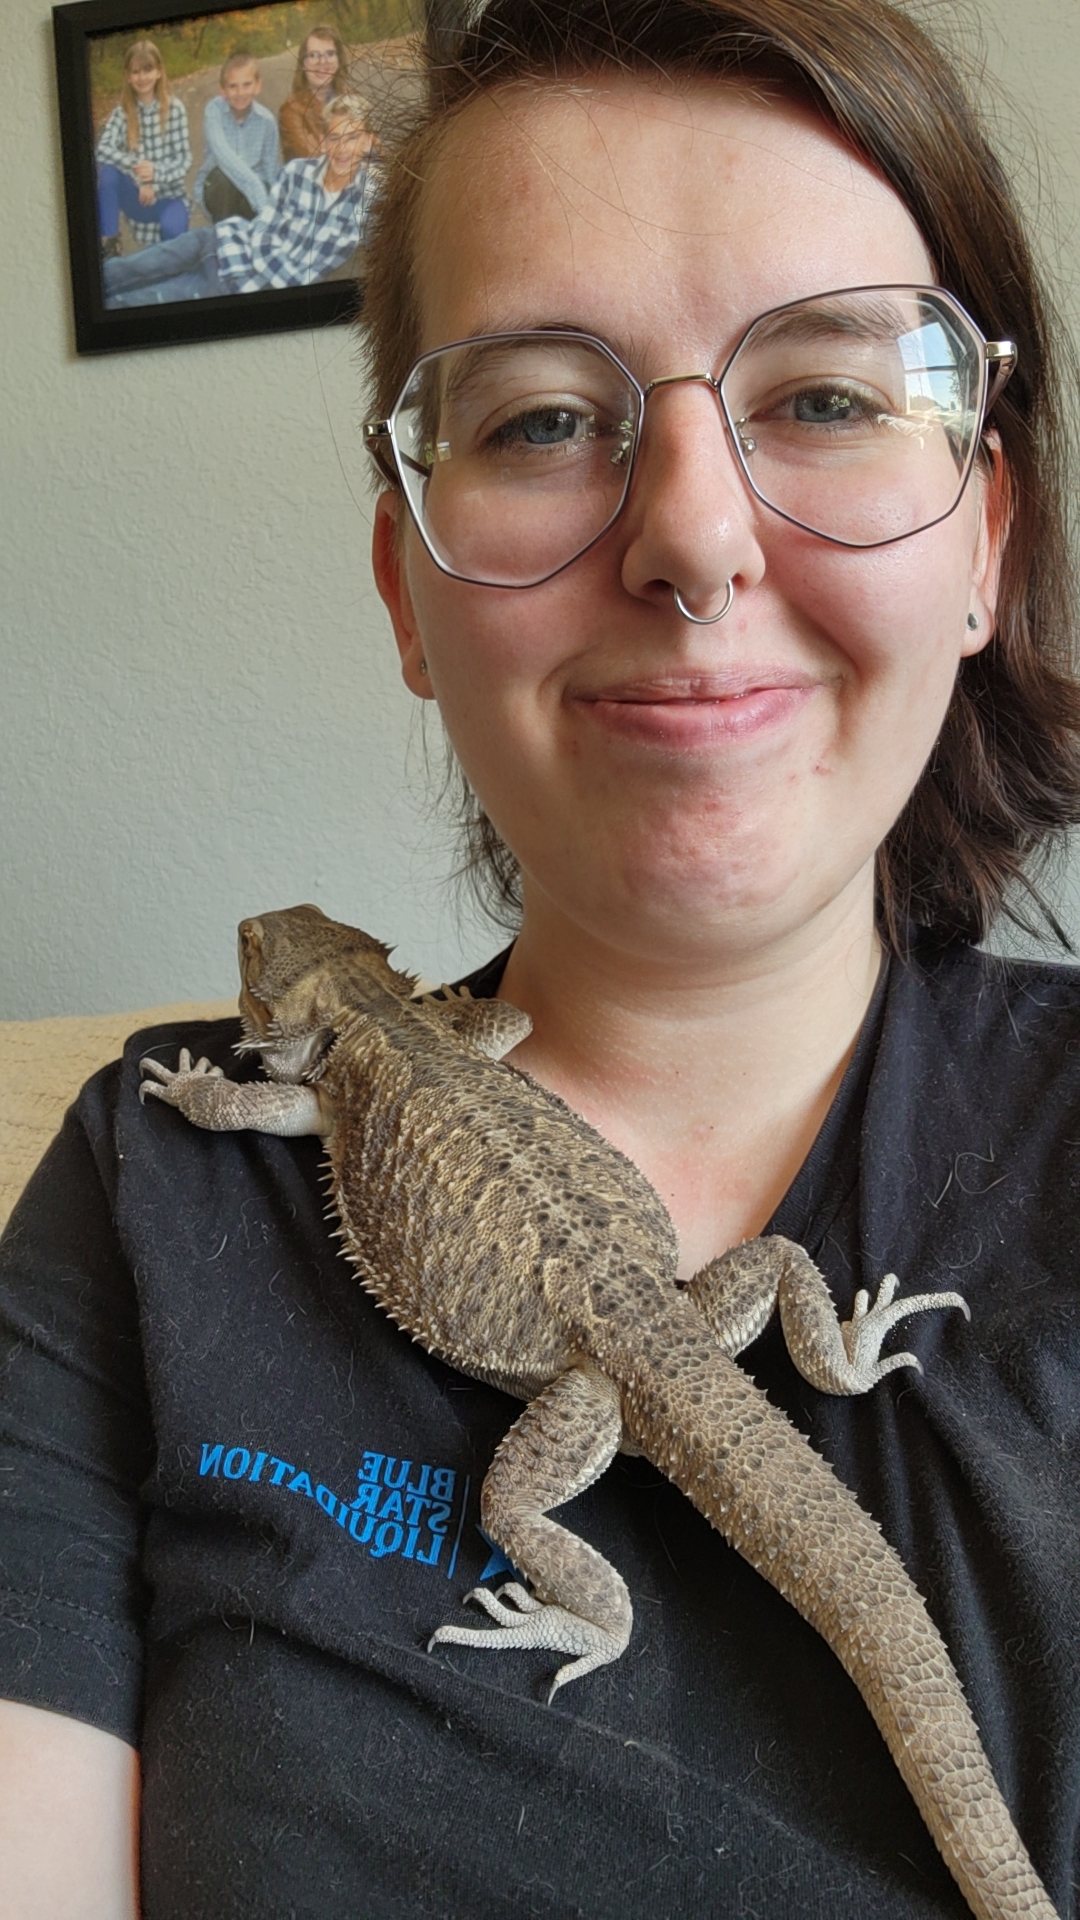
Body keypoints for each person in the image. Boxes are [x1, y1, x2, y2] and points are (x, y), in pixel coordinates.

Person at [2, 2, 1079, 1916]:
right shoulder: (148, 1187)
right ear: (410, 595)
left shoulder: (323, 1058)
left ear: (987, 536)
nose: (693, 535)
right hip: (688, 1328)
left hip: (639, 1351)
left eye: (827, 395)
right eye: (545, 420)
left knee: (531, 1511)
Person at [102, 96, 379, 307]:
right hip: (215, 240)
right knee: (119, 270)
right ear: (324, 140)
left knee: (124, 304)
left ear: (369, 141)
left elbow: (398, 239)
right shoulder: (298, 172)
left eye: (353, 137)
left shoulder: (369, 202)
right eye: (334, 137)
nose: (342, 148)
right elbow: (264, 229)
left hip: (230, 284)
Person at [96, 38, 191, 257]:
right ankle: (109, 242)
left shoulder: (175, 109)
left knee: (173, 235)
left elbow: (184, 160)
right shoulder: (123, 111)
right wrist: (140, 173)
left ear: (159, 72)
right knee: (107, 170)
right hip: (137, 198)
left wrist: (155, 175)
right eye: (136, 72)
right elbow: (103, 149)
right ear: (128, 77)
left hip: (168, 196)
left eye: (148, 70)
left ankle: (172, 261)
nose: (142, 77)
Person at [193, 50, 280, 224]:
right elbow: (223, 156)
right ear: (223, 90)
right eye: (233, 86)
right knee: (224, 180)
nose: (240, 92)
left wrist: (273, 208)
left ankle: (253, 237)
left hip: (251, 197)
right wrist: (258, 194)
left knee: (265, 187)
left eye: (247, 84)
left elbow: (270, 169)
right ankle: (223, 236)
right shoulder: (214, 111)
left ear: (258, 85)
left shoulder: (267, 121)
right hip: (219, 188)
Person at [278, 23, 351, 161]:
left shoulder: (351, 98)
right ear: (303, 64)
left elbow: (374, 148)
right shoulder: (291, 110)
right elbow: (317, 160)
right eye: (314, 55)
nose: (322, 62)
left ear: (339, 60)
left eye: (329, 54)